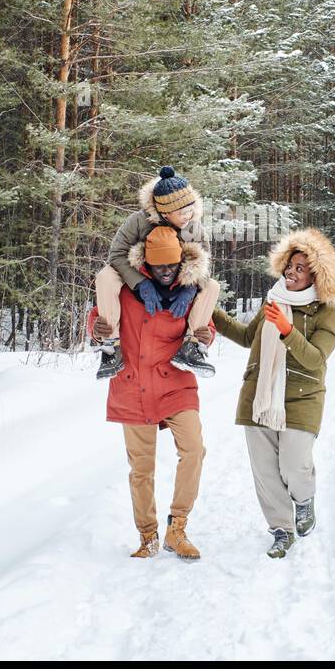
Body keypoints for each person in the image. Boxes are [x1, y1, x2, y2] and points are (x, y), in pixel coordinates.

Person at [211, 228, 335, 559]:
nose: (291, 271)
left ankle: (304, 500)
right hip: (258, 396)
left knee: (293, 465)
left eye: (301, 267)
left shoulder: (327, 314)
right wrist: (210, 312)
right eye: (290, 265)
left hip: (302, 398)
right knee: (265, 471)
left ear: (318, 275)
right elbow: (247, 337)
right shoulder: (274, 301)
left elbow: (316, 359)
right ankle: (281, 529)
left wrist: (287, 331)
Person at [87, 225, 215, 560]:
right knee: (141, 468)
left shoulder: (190, 289)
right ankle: (147, 536)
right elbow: (98, 316)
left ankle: (178, 527)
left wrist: (204, 336)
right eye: (159, 267)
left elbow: (206, 324)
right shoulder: (128, 287)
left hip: (175, 381)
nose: (166, 272)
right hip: (133, 384)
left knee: (194, 450)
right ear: (146, 263)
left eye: (171, 266)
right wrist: (96, 328)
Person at [92, 166, 219, 380]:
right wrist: (140, 282)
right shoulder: (139, 221)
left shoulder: (193, 227)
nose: (188, 215)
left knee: (212, 286)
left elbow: (205, 265)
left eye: (190, 209)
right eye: (182, 212)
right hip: (143, 274)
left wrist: (190, 288)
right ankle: (110, 347)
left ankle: (192, 346)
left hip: (178, 279)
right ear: (165, 211)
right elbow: (116, 254)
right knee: (105, 276)